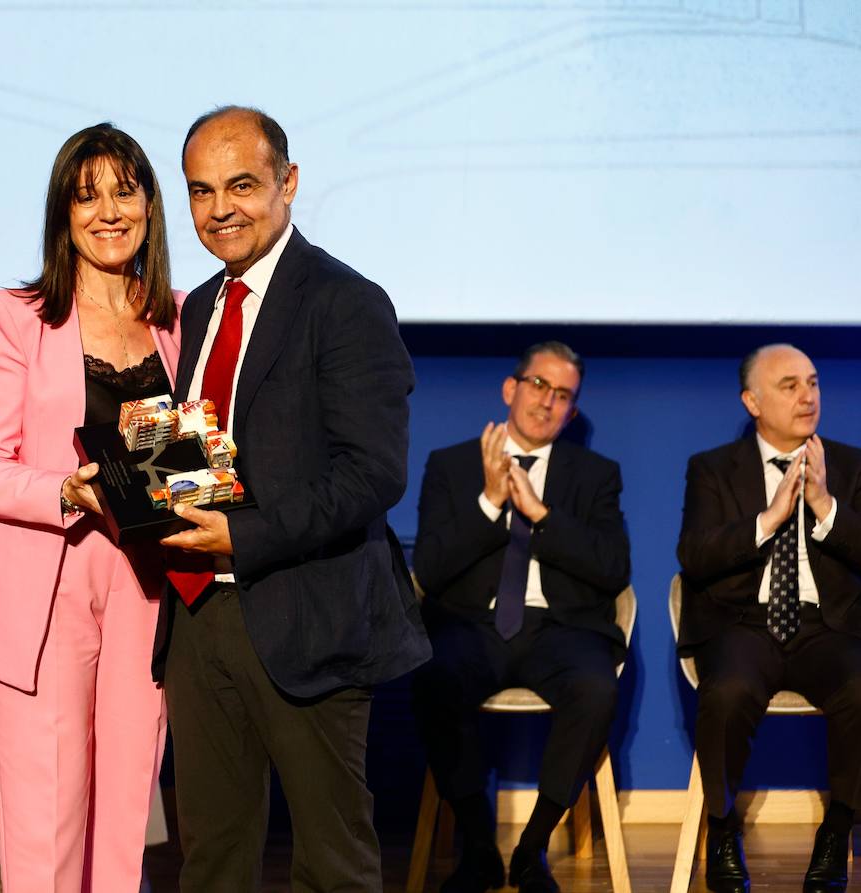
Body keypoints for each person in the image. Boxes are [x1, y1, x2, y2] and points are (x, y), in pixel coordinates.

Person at [155, 105, 430, 892]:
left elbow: (373, 472)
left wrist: (244, 537)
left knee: (331, 863)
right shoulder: (200, 305)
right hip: (200, 615)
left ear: (289, 182)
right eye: (201, 191)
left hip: (311, 616)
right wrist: (135, 484)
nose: (220, 209)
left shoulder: (346, 300)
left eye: (241, 185)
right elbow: (201, 454)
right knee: (210, 857)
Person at [0, 123, 179, 891]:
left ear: (149, 204)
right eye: (85, 193)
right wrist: (69, 489)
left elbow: (180, 455)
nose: (108, 210)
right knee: (48, 804)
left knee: (129, 797)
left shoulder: (176, 315)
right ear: (62, 212)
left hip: (150, 581)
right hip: (48, 580)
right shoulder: (14, 315)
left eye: (124, 191)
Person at [411, 342, 630, 893]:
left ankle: (532, 848)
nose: (546, 402)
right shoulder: (452, 464)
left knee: (597, 689)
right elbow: (432, 571)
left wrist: (540, 515)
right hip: (471, 625)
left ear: (571, 411)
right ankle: (479, 846)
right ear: (511, 389)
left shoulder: (595, 474)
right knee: (434, 674)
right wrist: (489, 501)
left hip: (562, 630)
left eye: (562, 396)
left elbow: (611, 567)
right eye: (538, 386)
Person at [677, 343, 861, 893]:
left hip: (826, 626)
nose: (807, 395)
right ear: (752, 401)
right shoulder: (712, 468)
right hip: (743, 623)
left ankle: (838, 829)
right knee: (728, 691)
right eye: (789, 385)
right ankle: (722, 825)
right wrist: (767, 519)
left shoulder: (850, 466)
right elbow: (695, 554)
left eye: (813, 382)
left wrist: (825, 506)